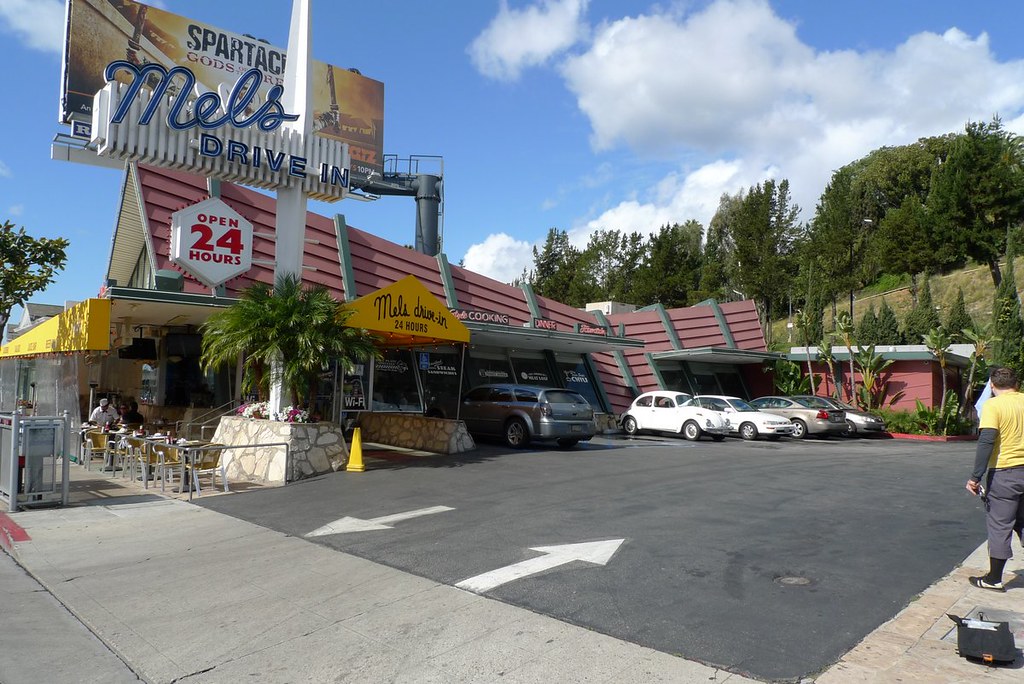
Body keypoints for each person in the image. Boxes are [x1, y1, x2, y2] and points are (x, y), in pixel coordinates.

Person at [965, 366, 1024, 591]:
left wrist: (975, 477)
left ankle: (994, 579)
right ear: (1016, 384)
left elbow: (987, 440)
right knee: (1023, 521)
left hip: (1005, 472)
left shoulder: (993, 405)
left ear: (992, 385)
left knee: (1000, 524)